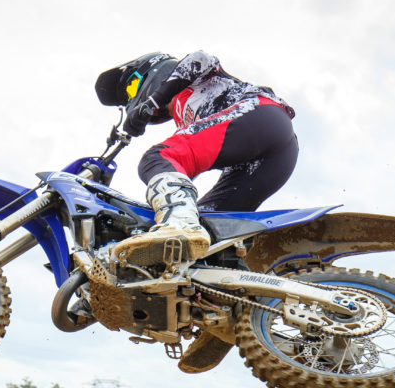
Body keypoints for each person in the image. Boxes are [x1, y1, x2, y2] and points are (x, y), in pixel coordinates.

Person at [94, 51, 298, 267]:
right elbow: (181, 171)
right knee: (209, 228)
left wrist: (153, 100)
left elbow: (201, 59)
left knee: (158, 157)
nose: (133, 100)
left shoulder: (192, 81)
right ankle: (235, 278)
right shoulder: (187, 121)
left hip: (260, 113)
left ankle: (180, 223)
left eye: (132, 89)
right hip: (276, 155)